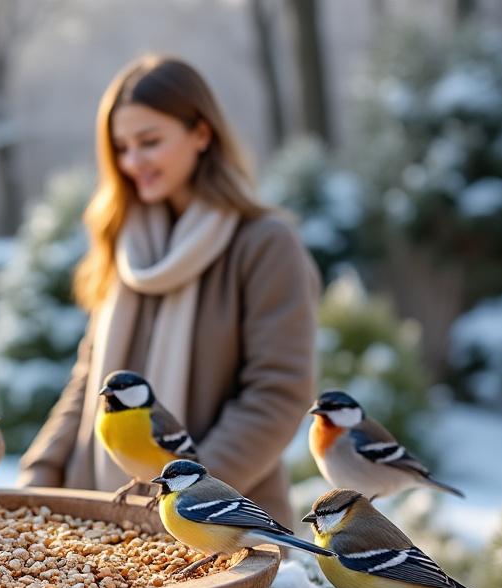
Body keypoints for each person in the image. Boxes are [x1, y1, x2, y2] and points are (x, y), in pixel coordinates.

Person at [18, 55, 320, 524]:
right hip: (98, 517)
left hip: (216, 525)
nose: (132, 162)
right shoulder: (123, 241)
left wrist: (188, 501)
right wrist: (37, 476)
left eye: (150, 142)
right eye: (120, 147)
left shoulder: (265, 245)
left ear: (201, 133)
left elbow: (278, 395)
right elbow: (88, 384)